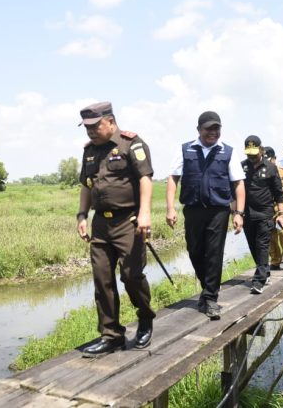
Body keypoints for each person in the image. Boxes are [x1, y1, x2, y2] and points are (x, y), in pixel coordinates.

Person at [76, 101, 156, 356]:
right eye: (86, 127)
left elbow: (145, 178)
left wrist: (144, 213)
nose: (90, 132)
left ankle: (145, 318)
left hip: (128, 222)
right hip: (101, 224)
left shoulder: (132, 143)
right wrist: (81, 216)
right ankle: (111, 335)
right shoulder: (89, 151)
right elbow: (87, 186)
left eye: (95, 126)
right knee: (102, 279)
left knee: (132, 276)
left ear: (110, 121)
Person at [166, 111, 245, 320]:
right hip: (193, 210)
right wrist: (170, 208)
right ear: (199, 129)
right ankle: (206, 289)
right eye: (208, 128)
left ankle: (210, 298)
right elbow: (173, 178)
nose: (213, 132)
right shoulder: (185, 149)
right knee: (194, 250)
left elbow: (238, 183)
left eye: (216, 128)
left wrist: (238, 213)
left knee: (214, 253)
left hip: (218, 210)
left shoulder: (228, 151)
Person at [241, 136, 283, 294]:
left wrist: (281, 213)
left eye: (254, 153)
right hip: (247, 214)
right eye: (249, 153)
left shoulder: (270, 168)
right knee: (253, 245)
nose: (251, 156)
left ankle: (258, 280)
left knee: (262, 245)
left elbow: (279, 193)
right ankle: (265, 272)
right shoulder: (241, 167)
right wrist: (237, 213)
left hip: (265, 213)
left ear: (261, 149)